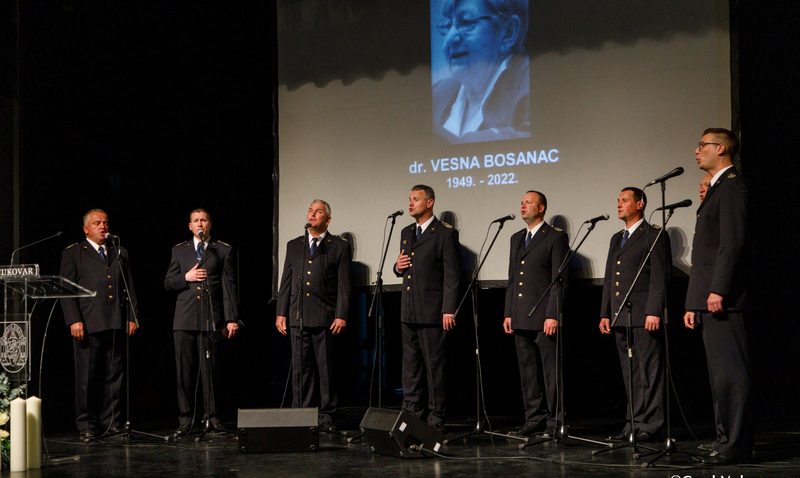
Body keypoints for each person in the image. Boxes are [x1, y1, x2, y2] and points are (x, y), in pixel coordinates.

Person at [683, 128, 752, 465]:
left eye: (703, 145)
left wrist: (717, 289)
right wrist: (693, 301)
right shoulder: (717, 188)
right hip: (708, 297)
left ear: (721, 148)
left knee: (731, 375)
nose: (697, 150)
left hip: (724, 297)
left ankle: (736, 444)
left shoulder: (732, 187)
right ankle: (724, 439)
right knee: (718, 377)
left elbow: (731, 244)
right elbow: (705, 252)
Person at [60, 209, 139, 443]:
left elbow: (129, 287)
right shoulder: (74, 253)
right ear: (86, 229)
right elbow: (67, 290)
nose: (103, 226)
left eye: (105, 222)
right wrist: (74, 319)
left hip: (115, 321)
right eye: (97, 223)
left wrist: (132, 316)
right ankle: (86, 425)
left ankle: (111, 422)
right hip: (88, 323)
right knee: (87, 377)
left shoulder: (119, 251)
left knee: (114, 375)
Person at [598, 187, 670, 442]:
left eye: (625, 200)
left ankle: (651, 425)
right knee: (630, 372)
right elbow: (610, 277)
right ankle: (633, 423)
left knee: (649, 372)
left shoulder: (654, 234)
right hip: (620, 314)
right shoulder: (616, 238)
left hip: (643, 314)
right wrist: (605, 312)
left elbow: (659, 277)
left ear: (640, 204)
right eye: (618, 200)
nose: (619, 204)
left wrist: (654, 310)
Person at [276, 200, 352, 432]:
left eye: (318, 212)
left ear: (328, 220)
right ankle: (302, 413)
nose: (312, 214)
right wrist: (281, 312)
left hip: (325, 317)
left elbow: (344, 285)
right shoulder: (294, 245)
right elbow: (286, 281)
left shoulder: (339, 246)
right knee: (301, 369)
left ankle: (327, 415)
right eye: (310, 210)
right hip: (298, 316)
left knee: (326, 369)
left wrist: (341, 314)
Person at [164, 208, 239, 438]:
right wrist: (185, 278)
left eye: (203, 220)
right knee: (184, 373)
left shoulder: (222, 250)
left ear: (210, 224)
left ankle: (212, 418)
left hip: (211, 318)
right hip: (184, 319)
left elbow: (229, 287)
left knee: (211, 371)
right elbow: (168, 282)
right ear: (190, 226)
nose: (200, 224)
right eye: (195, 220)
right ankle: (186, 419)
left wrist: (231, 319)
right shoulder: (179, 250)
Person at [394, 185, 460, 432]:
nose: (410, 203)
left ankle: (436, 416)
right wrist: (397, 267)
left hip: (432, 312)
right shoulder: (406, 231)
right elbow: (404, 269)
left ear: (430, 202)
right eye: (409, 199)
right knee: (410, 368)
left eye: (416, 199)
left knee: (434, 368)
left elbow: (452, 275)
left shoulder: (444, 233)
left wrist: (448, 309)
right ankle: (412, 413)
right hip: (409, 309)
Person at [503, 191, 568, 436]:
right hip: (520, 315)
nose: (523, 206)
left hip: (544, 317)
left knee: (551, 373)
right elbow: (513, 279)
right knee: (528, 372)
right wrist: (509, 312)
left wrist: (553, 314)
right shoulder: (516, 238)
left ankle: (555, 421)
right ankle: (534, 418)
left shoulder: (555, 237)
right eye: (521, 203)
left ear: (541, 208)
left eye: (528, 203)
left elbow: (559, 280)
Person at [432, 0, 530, 143]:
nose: (449, 39)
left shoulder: (536, 84)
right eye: (447, 26)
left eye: (467, 22)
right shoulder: (437, 93)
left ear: (508, 32)